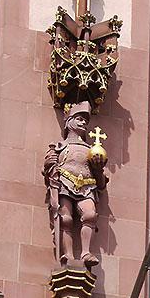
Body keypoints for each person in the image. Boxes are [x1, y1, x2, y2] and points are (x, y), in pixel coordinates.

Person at [43, 101, 108, 268]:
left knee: (90, 215)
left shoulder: (91, 148)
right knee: (65, 219)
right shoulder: (59, 147)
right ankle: (69, 255)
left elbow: (100, 184)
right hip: (65, 182)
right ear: (69, 121)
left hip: (87, 185)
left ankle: (86, 252)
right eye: (79, 118)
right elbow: (49, 168)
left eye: (85, 120)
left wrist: (99, 168)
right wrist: (52, 169)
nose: (84, 122)